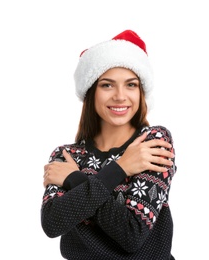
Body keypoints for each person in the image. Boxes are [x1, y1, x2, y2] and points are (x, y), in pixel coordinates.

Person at [41, 29, 177, 260]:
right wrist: (121, 168)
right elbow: (53, 224)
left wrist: (74, 180)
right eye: (107, 85)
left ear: (141, 92)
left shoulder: (152, 142)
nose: (120, 96)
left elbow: (132, 234)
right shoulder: (66, 155)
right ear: (91, 92)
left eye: (131, 85)